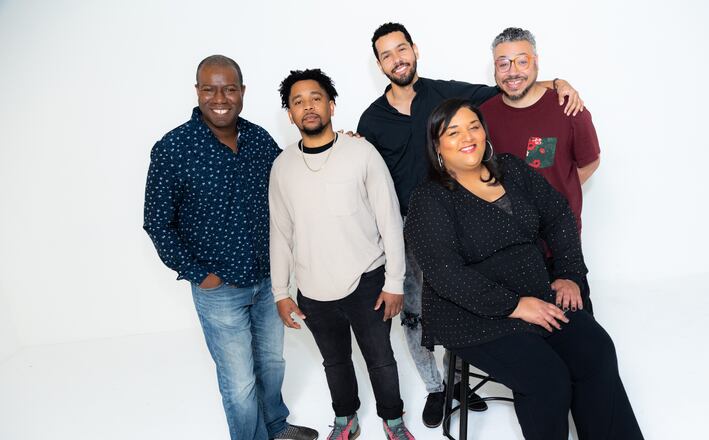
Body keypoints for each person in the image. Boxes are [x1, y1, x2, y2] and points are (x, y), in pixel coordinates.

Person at [356, 22, 585, 428]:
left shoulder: (447, 93)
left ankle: (469, 370)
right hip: (409, 223)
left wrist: (556, 82)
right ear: (379, 64)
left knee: (462, 293)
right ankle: (436, 387)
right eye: (386, 54)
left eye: (401, 49)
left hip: (463, 220)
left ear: (415, 49)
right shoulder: (371, 119)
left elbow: (508, 88)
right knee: (415, 311)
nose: (397, 58)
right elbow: (366, 171)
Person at [404, 99, 643, 440]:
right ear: (438, 147)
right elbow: (447, 275)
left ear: (485, 132)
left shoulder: (511, 169)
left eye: (473, 126)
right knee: (547, 378)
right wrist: (515, 306)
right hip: (471, 314)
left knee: (596, 351)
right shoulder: (429, 199)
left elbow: (559, 214)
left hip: (536, 291)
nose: (467, 136)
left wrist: (569, 273)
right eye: (453, 132)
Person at [143, 55, 318, 440]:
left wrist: (340, 143)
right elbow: (157, 222)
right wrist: (199, 275)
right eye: (210, 88)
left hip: (268, 279)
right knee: (239, 382)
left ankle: (276, 426)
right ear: (197, 92)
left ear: (242, 92)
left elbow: (291, 186)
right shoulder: (174, 149)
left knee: (272, 363)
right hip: (218, 288)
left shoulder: (258, 139)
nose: (220, 97)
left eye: (229, 88)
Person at [270, 68, 414, 440]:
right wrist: (281, 292)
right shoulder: (282, 166)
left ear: (331, 104)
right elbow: (281, 232)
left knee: (380, 359)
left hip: (367, 280)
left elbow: (389, 220)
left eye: (315, 98)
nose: (308, 107)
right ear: (290, 114)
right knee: (334, 361)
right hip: (313, 288)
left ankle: (393, 420)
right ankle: (345, 418)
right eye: (297, 102)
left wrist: (395, 281)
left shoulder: (361, 153)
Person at [481, 27, 601, 312]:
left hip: (560, 250)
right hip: (508, 252)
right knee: (527, 342)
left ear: (535, 61)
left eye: (522, 61)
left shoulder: (568, 108)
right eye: (503, 63)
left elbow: (589, 163)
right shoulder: (482, 116)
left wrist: (560, 193)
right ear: (494, 68)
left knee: (578, 332)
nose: (513, 71)